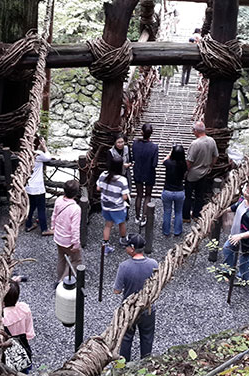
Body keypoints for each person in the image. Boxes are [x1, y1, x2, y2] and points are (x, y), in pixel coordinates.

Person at [114, 234, 158, 362]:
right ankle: (146, 363)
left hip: (129, 310)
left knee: (126, 338)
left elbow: (117, 291)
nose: (125, 248)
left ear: (132, 248)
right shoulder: (153, 264)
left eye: (126, 246)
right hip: (147, 308)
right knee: (147, 337)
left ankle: (124, 365)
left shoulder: (124, 266)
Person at [220, 183, 249, 285]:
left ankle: (243, 279)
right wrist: (223, 211)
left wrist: (240, 236)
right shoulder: (242, 200)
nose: (245, 193)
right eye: (245, 190)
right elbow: (235, 207)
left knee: (245, 258)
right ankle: (227, 271)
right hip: (236, 233)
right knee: (227, 249)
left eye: (248, 192)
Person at [183, 121, 218, 221]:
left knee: (188, 196)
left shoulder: (195, 144)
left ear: (196, 131)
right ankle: (196, 215)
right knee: (199, 195)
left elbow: (189, 161)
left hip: (192, 174)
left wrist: (185, 172)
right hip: (204, 172)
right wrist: (211, 166)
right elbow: (215, 156)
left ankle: (186, 217)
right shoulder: (211, 141)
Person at [97, 156, 130, 253]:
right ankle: (123, 240)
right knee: (121, 223)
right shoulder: (122, 180)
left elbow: (98, 188)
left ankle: (105, 245)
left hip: (106, 205)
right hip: (117, 207)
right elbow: (124, 197)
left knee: (108, 225)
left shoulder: (103, 174)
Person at [51, 180, 82, 281]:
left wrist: (53, 227)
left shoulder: (59, 200)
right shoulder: (75, 208)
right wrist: (76, 244)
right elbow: (75, 229)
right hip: (68, 240)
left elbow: (54, 215)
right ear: (76, 193)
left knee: (61, 259)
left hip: (58, 236)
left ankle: (59, 278)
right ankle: (61, 282)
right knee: (76, 260)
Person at [3, 280, 35, 374]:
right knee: (24, 369)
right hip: (23, 349)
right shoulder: (24, 309)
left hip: (7, 353)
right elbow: (29, 333)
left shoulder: (1, 317)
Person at [25, 136, 53, 236]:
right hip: (37, 187)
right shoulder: (38, 154)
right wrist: (44, 146)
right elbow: (48, 157)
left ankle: (28, 225)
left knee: (31, 206)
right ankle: (44, 229)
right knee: (41, 208)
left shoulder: (26, 153)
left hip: (28, 186)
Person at [132, 124, 159, 226]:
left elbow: (133, 158)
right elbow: (155, 164)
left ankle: (137, 216)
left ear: (141, 132)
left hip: (138, 171)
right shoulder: (154, 147)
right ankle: (144, 217)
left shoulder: (135, 144)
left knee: (139, 194)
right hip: (149, 173)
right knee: (148, 195)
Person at [161, 145, 187, 236]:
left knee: (167, 211)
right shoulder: (184, 164)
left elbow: (163, 161)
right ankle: (177, 231)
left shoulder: (168, 163)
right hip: (179, 191)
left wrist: (169, 154)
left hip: (168, 191)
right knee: (178, 212)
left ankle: (166, 231)